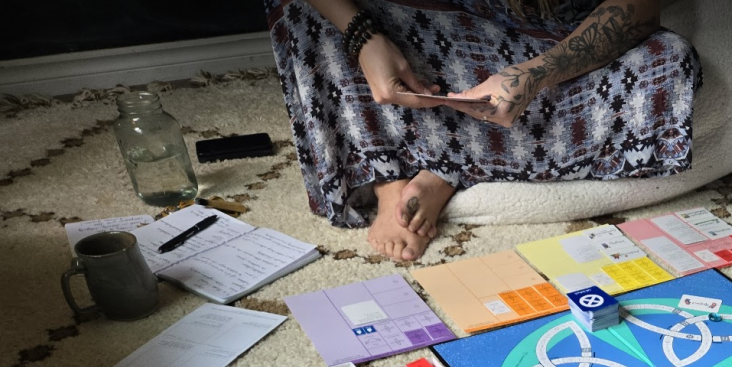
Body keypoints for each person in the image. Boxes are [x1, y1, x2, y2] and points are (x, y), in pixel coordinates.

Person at [266, 0, 701, 260]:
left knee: (668, 60)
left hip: (556, 42)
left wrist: (535, 74)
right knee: (304, 13)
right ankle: (389, 177)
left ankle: (441, 166)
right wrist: (364, 39)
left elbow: (640, 10)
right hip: (426, 24)